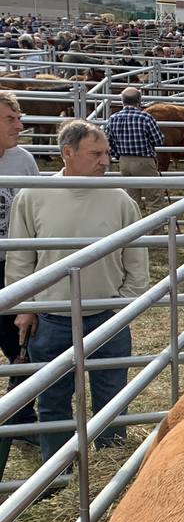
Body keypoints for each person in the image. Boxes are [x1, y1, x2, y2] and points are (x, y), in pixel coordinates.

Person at [5, 121, 148, 462]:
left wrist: (121, 304)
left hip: (105, 316)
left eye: (107, 154)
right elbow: (21, 257)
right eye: (96, 154)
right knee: (53, 399)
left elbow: (137, 257)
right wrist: (24, 307)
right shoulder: (32, 195)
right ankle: (58, 470)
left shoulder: (120, 199)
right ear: (67, 154)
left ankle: (109, 470)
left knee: (111, 395)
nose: (105, 161)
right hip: (51, 318)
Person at [0, 91, 39, 433]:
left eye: (18, 117)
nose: (19, 125)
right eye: (10, 119)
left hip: (14, 264)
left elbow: (38, 207)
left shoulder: (23, 159)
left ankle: (22, 413)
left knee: (19, 340)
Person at [104, 86, 163, 179]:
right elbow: (158, 141)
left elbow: (108, 142)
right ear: (139, 101)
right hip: (144, 160)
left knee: (131, 191)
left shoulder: (113, 119)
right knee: (151, 191)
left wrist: (118, 155)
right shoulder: (146, 118)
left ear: (122, 101)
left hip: (124, 161)